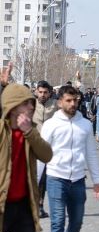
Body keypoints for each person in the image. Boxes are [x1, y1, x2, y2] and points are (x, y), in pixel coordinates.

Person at [0, 74, 75, 232]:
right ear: (12, 107)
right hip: (1, 207)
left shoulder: (31, 132)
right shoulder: (1, 131)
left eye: (33, 104)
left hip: (22, 209)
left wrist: (30, 132)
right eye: (26, 104)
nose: (31, 107)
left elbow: (47, 154)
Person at [41, 85, 99, 232]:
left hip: (78, 179)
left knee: (76, 221)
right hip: (56, 178)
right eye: (69, 100)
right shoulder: (51, 125)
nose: (73, 104)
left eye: (76, 100)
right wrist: (33, 183)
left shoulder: (85, 124)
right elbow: (40, 156)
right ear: (60, 101)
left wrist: (97, 181)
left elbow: (90, 154)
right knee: (57, 221)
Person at [33, 81, 56, 219]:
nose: (42, 95)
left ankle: (40, 205)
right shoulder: (30, 104)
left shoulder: (55, 105)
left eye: (45, 92)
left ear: (50, 93)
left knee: (43, 179)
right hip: (32, 145)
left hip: (49, 147)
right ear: (36, 91)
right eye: (40, 92)